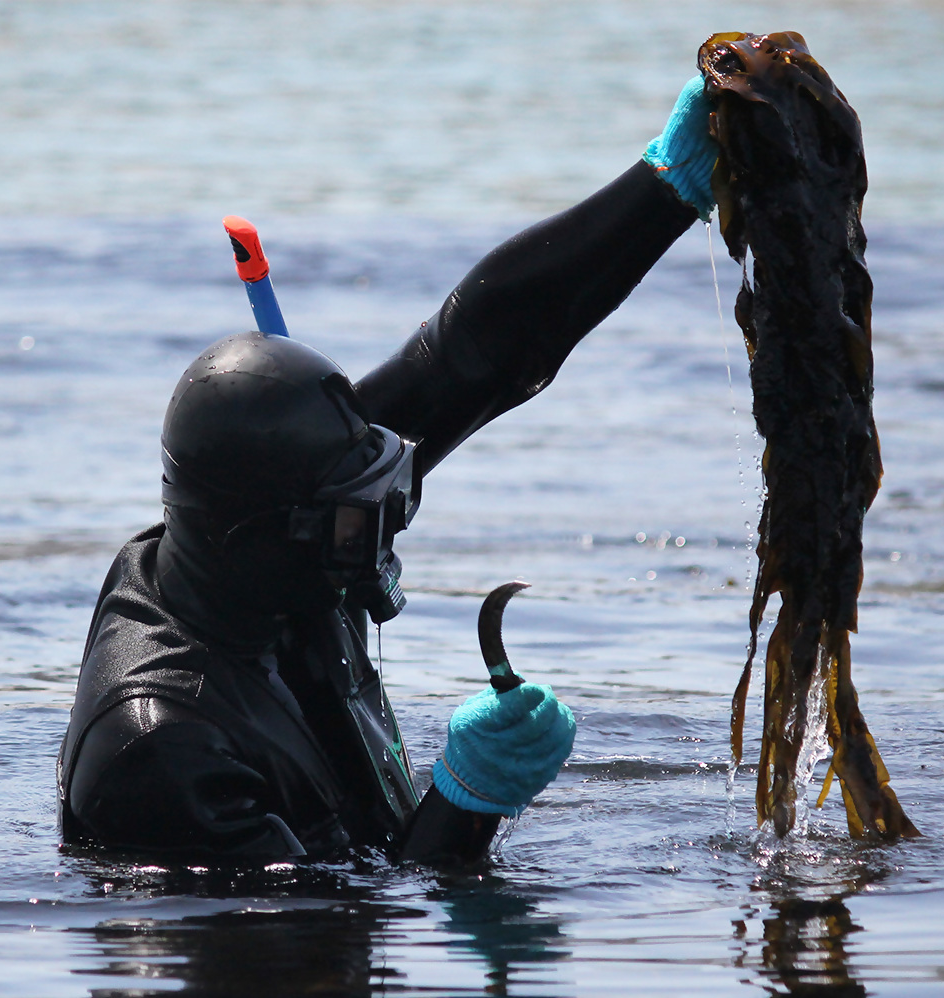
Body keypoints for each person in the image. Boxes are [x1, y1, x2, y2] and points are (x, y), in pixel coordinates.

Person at [56, 77, 719, 866]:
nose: (382, 536)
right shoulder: (161, 753)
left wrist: (665, 190)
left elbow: (473, 351)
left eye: (384, 494)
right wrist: (466, 803)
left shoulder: (271, 540)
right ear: (263, 535)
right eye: (356, 523)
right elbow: (343, 938)